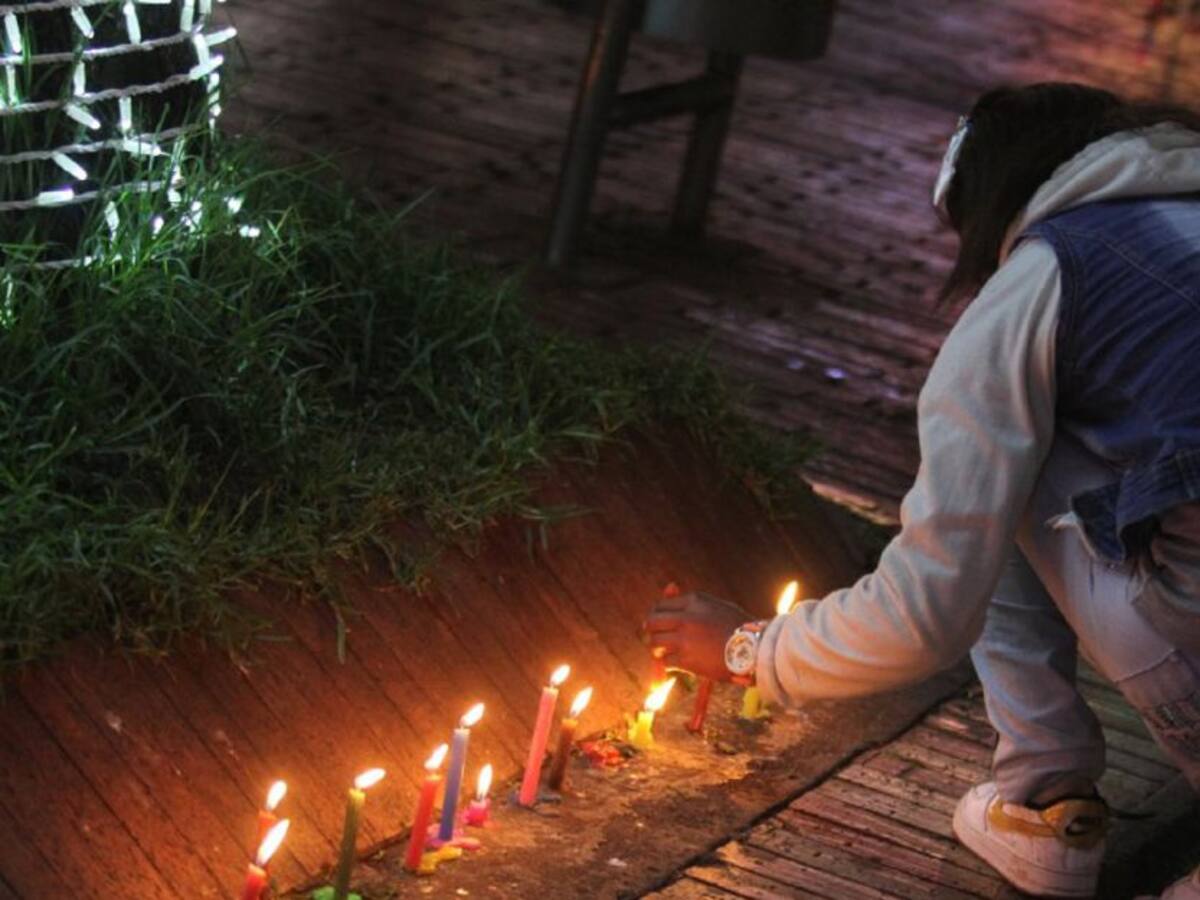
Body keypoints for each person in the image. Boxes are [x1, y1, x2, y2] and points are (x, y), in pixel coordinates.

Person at [644, 82, 1200, 899]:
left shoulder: (1045, 274)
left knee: (998, 464)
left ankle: (1042, 802)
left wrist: (748, 650)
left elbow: (924, 613)